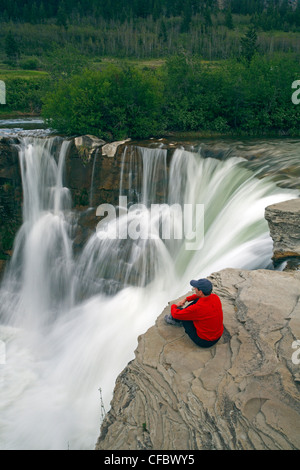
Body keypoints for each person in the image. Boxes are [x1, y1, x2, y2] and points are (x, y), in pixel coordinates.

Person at [165, 278, 224, 348]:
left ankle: (175, 321)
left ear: (201, 291)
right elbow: (198, 296)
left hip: (205, 341)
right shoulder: (215, 297)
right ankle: (182, 316)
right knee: (195, 304)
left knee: (183, 315)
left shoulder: (198, 308)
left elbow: (175, 314)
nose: (194, 288)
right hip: (218, 335)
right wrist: (186, 299)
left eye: (195, 288)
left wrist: (174, 306)